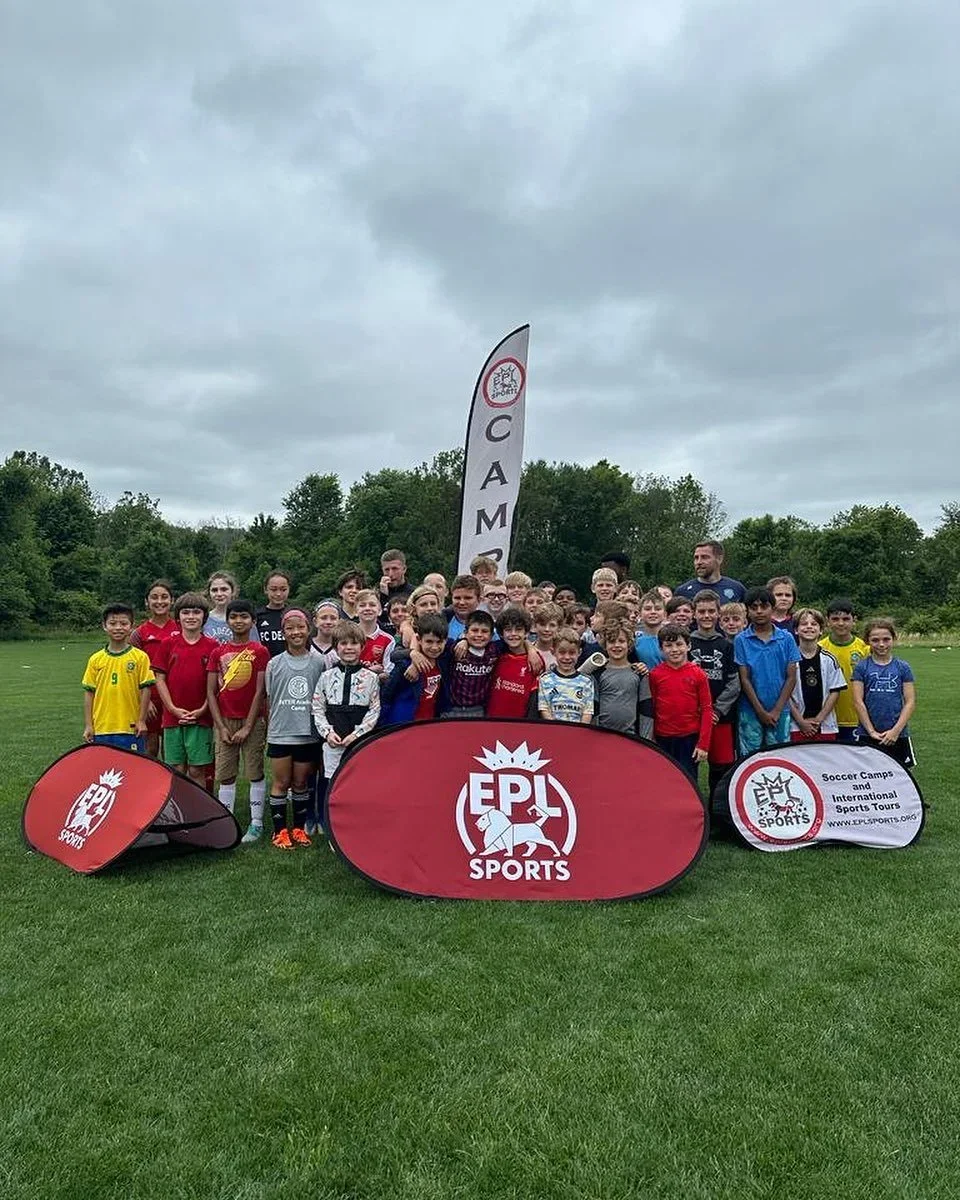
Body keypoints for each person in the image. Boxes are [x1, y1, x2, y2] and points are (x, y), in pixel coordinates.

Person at [206, 599, 269, 836]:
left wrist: (248, 726)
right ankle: (227, 821)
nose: (238, 621)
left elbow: (259, 692)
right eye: (234, 617)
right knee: (226, 773)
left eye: (244, 617)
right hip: (225, 721)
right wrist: (220, 726)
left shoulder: (259, 651)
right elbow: (211, 693)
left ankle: (256, 823)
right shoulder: (217, 652)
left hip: (252, 721)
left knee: (254, 771)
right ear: (227, 620)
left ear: (252, 621)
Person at [264, 610, 326, 849]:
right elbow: (270, 699)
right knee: (281, 782)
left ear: (308, 629)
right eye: (290, 628)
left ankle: (299, 828)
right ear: (283, 633)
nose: (296, 632)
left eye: (300, 627)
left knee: (300, 783)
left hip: (307, 733)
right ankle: (279, 831)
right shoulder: (274, 664)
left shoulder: (318, 662)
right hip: (281, 732)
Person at [153, 593, 218, 785]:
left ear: (204, 616)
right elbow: (160, 678)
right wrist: (172, 708)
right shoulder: (168, 644)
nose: (191, 616)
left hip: (201, 718)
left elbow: (214, 685)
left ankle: (199, 811)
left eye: (196, 612)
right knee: (176, 769)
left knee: (197, 770)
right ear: (178, 616)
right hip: (173, 719)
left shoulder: (213, 647)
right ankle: (178, 813)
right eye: (185, 612)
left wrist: (203, 709)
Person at [733, 587, 800, 755]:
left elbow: (791, 677)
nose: (759, 611)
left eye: (764, 606)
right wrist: (760, 711)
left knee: (780, 757)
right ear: (747, 611)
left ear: (772, 608)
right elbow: (745, 678)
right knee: (749, 757)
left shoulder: (786, 638)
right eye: (753, 607)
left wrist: (777, 709)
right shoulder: (741, 640)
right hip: (750, 709)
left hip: (780, 710)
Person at [312, 620, 381, 779]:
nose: (349, 647)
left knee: (358, 780)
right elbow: (317, 708)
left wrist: (357, 735)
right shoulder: (326, 677)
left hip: (360, 741)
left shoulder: (371, 678)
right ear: (336, 647)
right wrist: (327, 733)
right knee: (332, 781)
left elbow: (374, 709)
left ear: (362, 647)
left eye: (354, 643)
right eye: (343, 643)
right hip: (334, 740)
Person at [81, 603, 155, 751]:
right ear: (104, 626)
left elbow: (146, 689)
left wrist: (141, 721)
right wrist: (89, 725)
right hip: (102, 728)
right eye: (113, 623)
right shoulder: (96, 659)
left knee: (132, 770)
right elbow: (89, 693)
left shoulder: (140, 657)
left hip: (130, 728)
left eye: (123, 623)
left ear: (131, 626)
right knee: (106, 772)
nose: (118, 628)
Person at [689, 590, 740, 792]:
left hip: (721, 718)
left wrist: (717, 711)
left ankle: (718, 813)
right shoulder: (686, 643)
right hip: (692, 717)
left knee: (721, 768)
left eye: (711, 611)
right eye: (702, 611)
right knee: (689, 766)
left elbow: (734, 683)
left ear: (718, 613)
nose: (707, 615)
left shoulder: (726, 646)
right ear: (694, 614)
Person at [649, 624, 713, 780]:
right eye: (668, 645)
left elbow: (706, 709)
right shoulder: (655, 675)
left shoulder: (698, 674)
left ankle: (690, 805)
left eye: (679, 644)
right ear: (661, 648)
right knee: (664, 778)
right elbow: (652, 707)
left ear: (688, 645)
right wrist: (651, 736)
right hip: (663, 737)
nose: (674, 649)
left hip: (689, 737)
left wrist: (703, 744)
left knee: (688, 778)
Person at [852, 618, 916, 767]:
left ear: (893, 639)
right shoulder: (862, 667)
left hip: (898, 734)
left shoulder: (902, 667)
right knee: (869, 776)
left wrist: (895, 731)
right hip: (867, 734)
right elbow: (857, 701)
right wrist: (871, 731)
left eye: (886, 639)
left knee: (902, 776)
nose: (881, 644)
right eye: (875, 640)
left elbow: (910, 701)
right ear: (867, 641)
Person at [130, 579, 178, 759]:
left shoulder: (180, 628)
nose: (160, 601)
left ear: (172, 600)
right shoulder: (139, 633)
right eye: (154, 597)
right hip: (150, 699)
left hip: (174, 698)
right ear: (146, 601)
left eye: (165, 597)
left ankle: (173, 785)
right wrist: (145, 700)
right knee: (150, 748)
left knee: (172, 750)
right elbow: (133, 669)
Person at [788, 608, 846, 742]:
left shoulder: (830, 659)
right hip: (796, 726)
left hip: (825, 725)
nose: (809, 627)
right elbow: (785, 695)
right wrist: (800, 721)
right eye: (804, 624)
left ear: (821, 630)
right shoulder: (788, 659)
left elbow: (835, 692)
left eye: (814, 624)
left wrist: (819, 720)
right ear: (796, 630)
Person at [380, 613, 449, 725]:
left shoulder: (443, 660)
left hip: (429, 722)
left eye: (439, 642)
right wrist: (383, 724)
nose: (435, 647)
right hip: (402, 723)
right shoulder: (405, 665)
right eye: (429, 641)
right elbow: (387, 694)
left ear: (445, 640)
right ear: (419, 639)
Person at [590, 621, 653, 739]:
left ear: (629, 644)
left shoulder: (639, 673)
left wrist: (646, 740)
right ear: (605, 645)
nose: (616, 645)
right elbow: (593, 706)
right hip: (601, 736)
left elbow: (646, 709)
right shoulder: (597, 674)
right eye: (612, 641)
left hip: (631, 737)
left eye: (621, 641)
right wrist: (594, 736)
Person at [819, 598, 870, 743]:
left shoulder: (864, 649)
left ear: (854, 620)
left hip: (857, 718)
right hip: (827, 719)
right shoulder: (820, 648)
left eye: (846, 619)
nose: (841, 623)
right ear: (827, 621)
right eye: (835, 619)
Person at [486, 607, 541, 718]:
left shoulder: (535, 660)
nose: (513, 634)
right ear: (501, 634)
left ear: (526, 633)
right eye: (508, 630)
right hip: (492, 720)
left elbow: (535, 697)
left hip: (519, 723)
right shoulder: (496, 654)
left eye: (519, 629)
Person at [538, 628, 595, 723]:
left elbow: (587, 712)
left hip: (578, 733)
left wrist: (580, 730)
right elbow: (544, 709)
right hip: (553, 731)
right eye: (562, 652)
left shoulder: (587, 681)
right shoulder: (545, 679)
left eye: (572, 653)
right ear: (553, 652)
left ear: (579, 653)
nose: (567, 657)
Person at [674, 541, 746, 604]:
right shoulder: (683, 592)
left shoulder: (737, 589)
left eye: (705, 557)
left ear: (719, 559)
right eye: (696, 558)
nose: (699, 562)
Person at [203, 571, 260, 646]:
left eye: (224, 589)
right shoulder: (204, 619)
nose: (219, 594)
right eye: (214, 590)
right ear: (209, 593)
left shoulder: (245, 618)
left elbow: (255, 647)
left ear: (232, 591)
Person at [255, 570, 292, 657]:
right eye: (273, 589)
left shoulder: (294, 615)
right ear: (265, 590)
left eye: (283, 589)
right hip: (264, 666)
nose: (278, 594)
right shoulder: (257, 616)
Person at [635, 590, 666, 670]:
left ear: (665, 614)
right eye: (648, 609)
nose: (653, 612)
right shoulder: (635, 641)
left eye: (657, 609)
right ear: (639, 614)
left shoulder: (671, 639)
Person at [378, 549, 413, 620]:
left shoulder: (414, 593)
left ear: (404, 569)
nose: (390, 574)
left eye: (395, 569)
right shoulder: (376, 595)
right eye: (387, 570)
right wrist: (383, 596)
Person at [446, 575, 483, 640]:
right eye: (457, 598)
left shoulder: (488, 625)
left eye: (467, 598)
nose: (462, 602)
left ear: (479, 600)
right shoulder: (443, 623)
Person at [531, 602, 563, 670]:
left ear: (559, 627)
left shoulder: (564, 654)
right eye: (542, 624)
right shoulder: (527, 650)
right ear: (534, 625)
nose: (547, 629)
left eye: (552, 625)